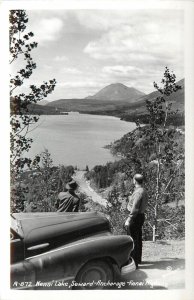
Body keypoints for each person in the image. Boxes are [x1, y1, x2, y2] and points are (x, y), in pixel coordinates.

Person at [125, 174, 148, 269]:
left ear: (134, 181)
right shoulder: (143, 190)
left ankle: (134, 263)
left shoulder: (138, 192)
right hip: (140, 216)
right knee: (138, 238)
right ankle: (138, 259)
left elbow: (135, 208)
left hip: (135, 217)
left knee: (133, 239)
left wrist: (129, 219)